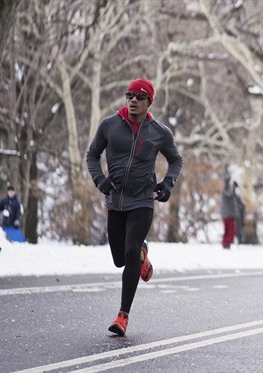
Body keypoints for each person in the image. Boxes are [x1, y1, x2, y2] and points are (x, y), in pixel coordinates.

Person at [86, 78, 183, 336]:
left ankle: (122, 316)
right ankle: (141, 253)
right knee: (120, 258)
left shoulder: (159, 132)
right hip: (115, 200)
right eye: (129, 95)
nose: (133, 100)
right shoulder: (109, 126)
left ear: (149, 101)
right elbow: (92, 155)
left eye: (139, 97)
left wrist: (168, 183)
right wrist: (100, 180)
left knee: (129, 252)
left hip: (142, 200)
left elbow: (175, 160)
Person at [221, 177, 239, 249]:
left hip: (227, 214)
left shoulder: (227, 189)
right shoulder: (227, 189)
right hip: (228, 214)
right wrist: (234, 187)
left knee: (228, 230)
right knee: (231, 231)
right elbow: (229, 194)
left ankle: (225, 244)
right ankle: (226, 244)